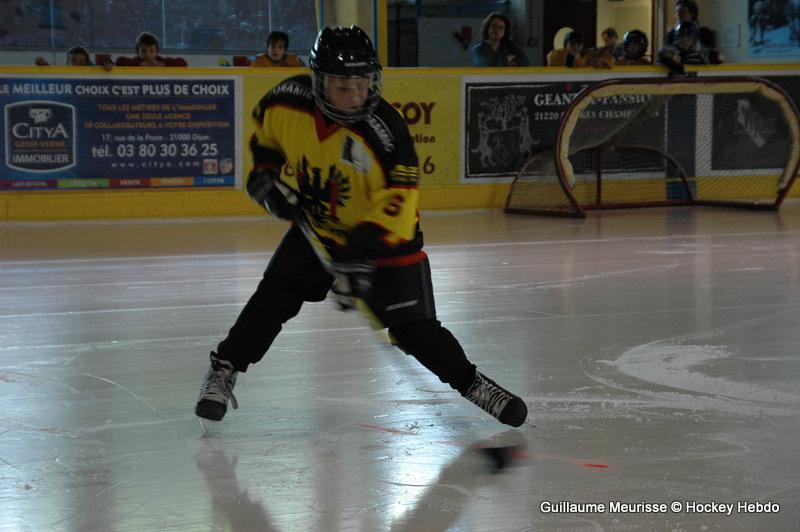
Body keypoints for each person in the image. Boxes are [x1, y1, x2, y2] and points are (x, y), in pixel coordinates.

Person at [194, 25, 528, 429]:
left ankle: (473, 383)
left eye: (363, 84)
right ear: (319, 83)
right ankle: (225, 367)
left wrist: (360, 253)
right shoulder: (286, 102)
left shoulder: (386, 133)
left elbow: (400, 202)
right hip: (318, 226)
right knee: (274, 295)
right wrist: (264, 176)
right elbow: (266, 139)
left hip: (387, 240)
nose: (356, 96)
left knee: (414, 330)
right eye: (343, 86)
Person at [113, 32, 187, 67]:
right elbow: (119, 61)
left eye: (151, 51)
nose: (148, 54)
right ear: (137, 52)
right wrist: (141, 65)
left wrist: (162, 65)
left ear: (157, 52)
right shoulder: (135, 61)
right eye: (143, 51)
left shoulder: (162, 61)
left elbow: (183, 62)